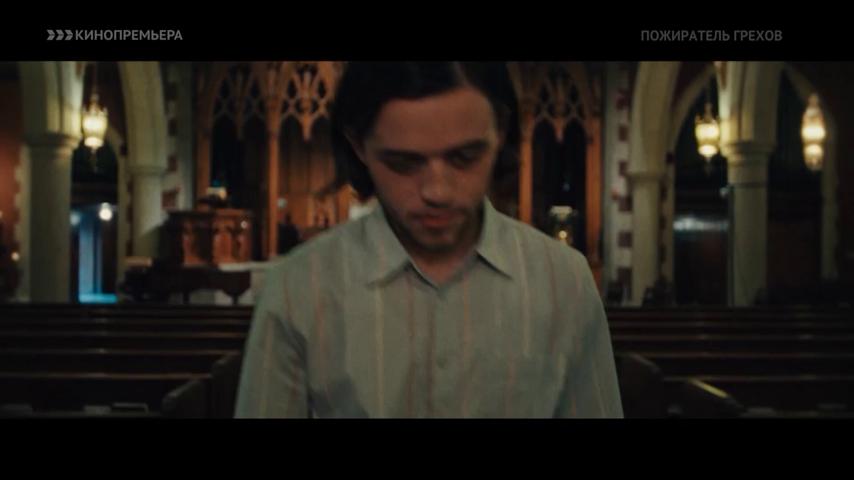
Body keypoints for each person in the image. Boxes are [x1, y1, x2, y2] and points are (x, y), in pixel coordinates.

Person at [235, 62, 622, 418]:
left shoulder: (564, 283)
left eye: (464, 157)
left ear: (500, 132)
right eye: (404, 163)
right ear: (358, 145)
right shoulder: (296, 289)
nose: (437, 191)